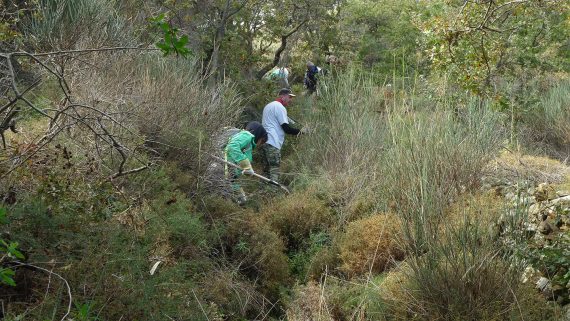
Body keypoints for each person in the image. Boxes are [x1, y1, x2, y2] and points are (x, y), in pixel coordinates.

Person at [260, 88, 304, 183]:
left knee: (266, 172)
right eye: (289, 97)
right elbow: (287, 129)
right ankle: (272, 192)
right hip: (273, 142)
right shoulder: (280, 107)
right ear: (282, 96)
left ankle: (263, 191)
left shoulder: (269, 106)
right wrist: (303, 132)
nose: (290, 100)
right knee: (274, 171)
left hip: (264, 142)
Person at [224, 121, 268, 204]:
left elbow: (236, 164)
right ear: (258, 135)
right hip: (222, 172)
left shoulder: (247, 144)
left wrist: (246, 170)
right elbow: (232, 146)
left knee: (242, 200)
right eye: (262, 141)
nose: (260, 145)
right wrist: (246, 165)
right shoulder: (247, 136)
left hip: (230, 177)